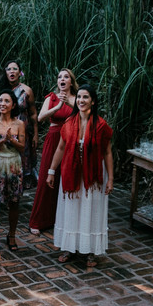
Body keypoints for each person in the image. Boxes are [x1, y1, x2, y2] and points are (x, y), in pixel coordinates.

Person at [47, 85, 114, 270]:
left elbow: (108, 152)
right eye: (79, 97)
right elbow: (61, 148)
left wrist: (110, 179)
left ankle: (90, 250)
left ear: (93, 101)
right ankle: (69, 247)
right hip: (72, 173)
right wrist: (51, 171)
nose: (81, 101)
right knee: (71, 209)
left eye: (85, 97)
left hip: (93, 176)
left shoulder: (101, 125)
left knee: (91, 210)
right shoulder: (69, 123)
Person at [28, 68, 78, 234]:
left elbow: (84, 115)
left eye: (66, 77)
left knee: (67, 177)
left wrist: (69, 103)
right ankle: (38, 220)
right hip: (54, 137)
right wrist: (58, 107)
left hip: (71, 139)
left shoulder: (77, 98)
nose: (62, 79)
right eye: (59, 77)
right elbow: (40, 117)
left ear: (71, 81)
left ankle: (62, 220)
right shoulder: (52, 98)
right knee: (47, 176)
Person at [0, 90, 25, 251]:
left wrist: (12, 140)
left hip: (13, 164)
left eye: (6, 101)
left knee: (14, 202)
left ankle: (11, 235)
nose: (2, 104)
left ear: (13, 105)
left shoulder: (19, 124)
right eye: (0, 100)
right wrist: (3, 140)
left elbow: (23, 148)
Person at [0, 60, 37, 185]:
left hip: (23, 127)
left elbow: (33, 113)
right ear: (5, 72)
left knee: (23, 154)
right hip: (3, 126)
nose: (11, 72)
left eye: (15, 69)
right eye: (9, 69)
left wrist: (35, 134)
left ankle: (21, 181)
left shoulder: (26, 90)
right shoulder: (0, 89)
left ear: (20, 73)